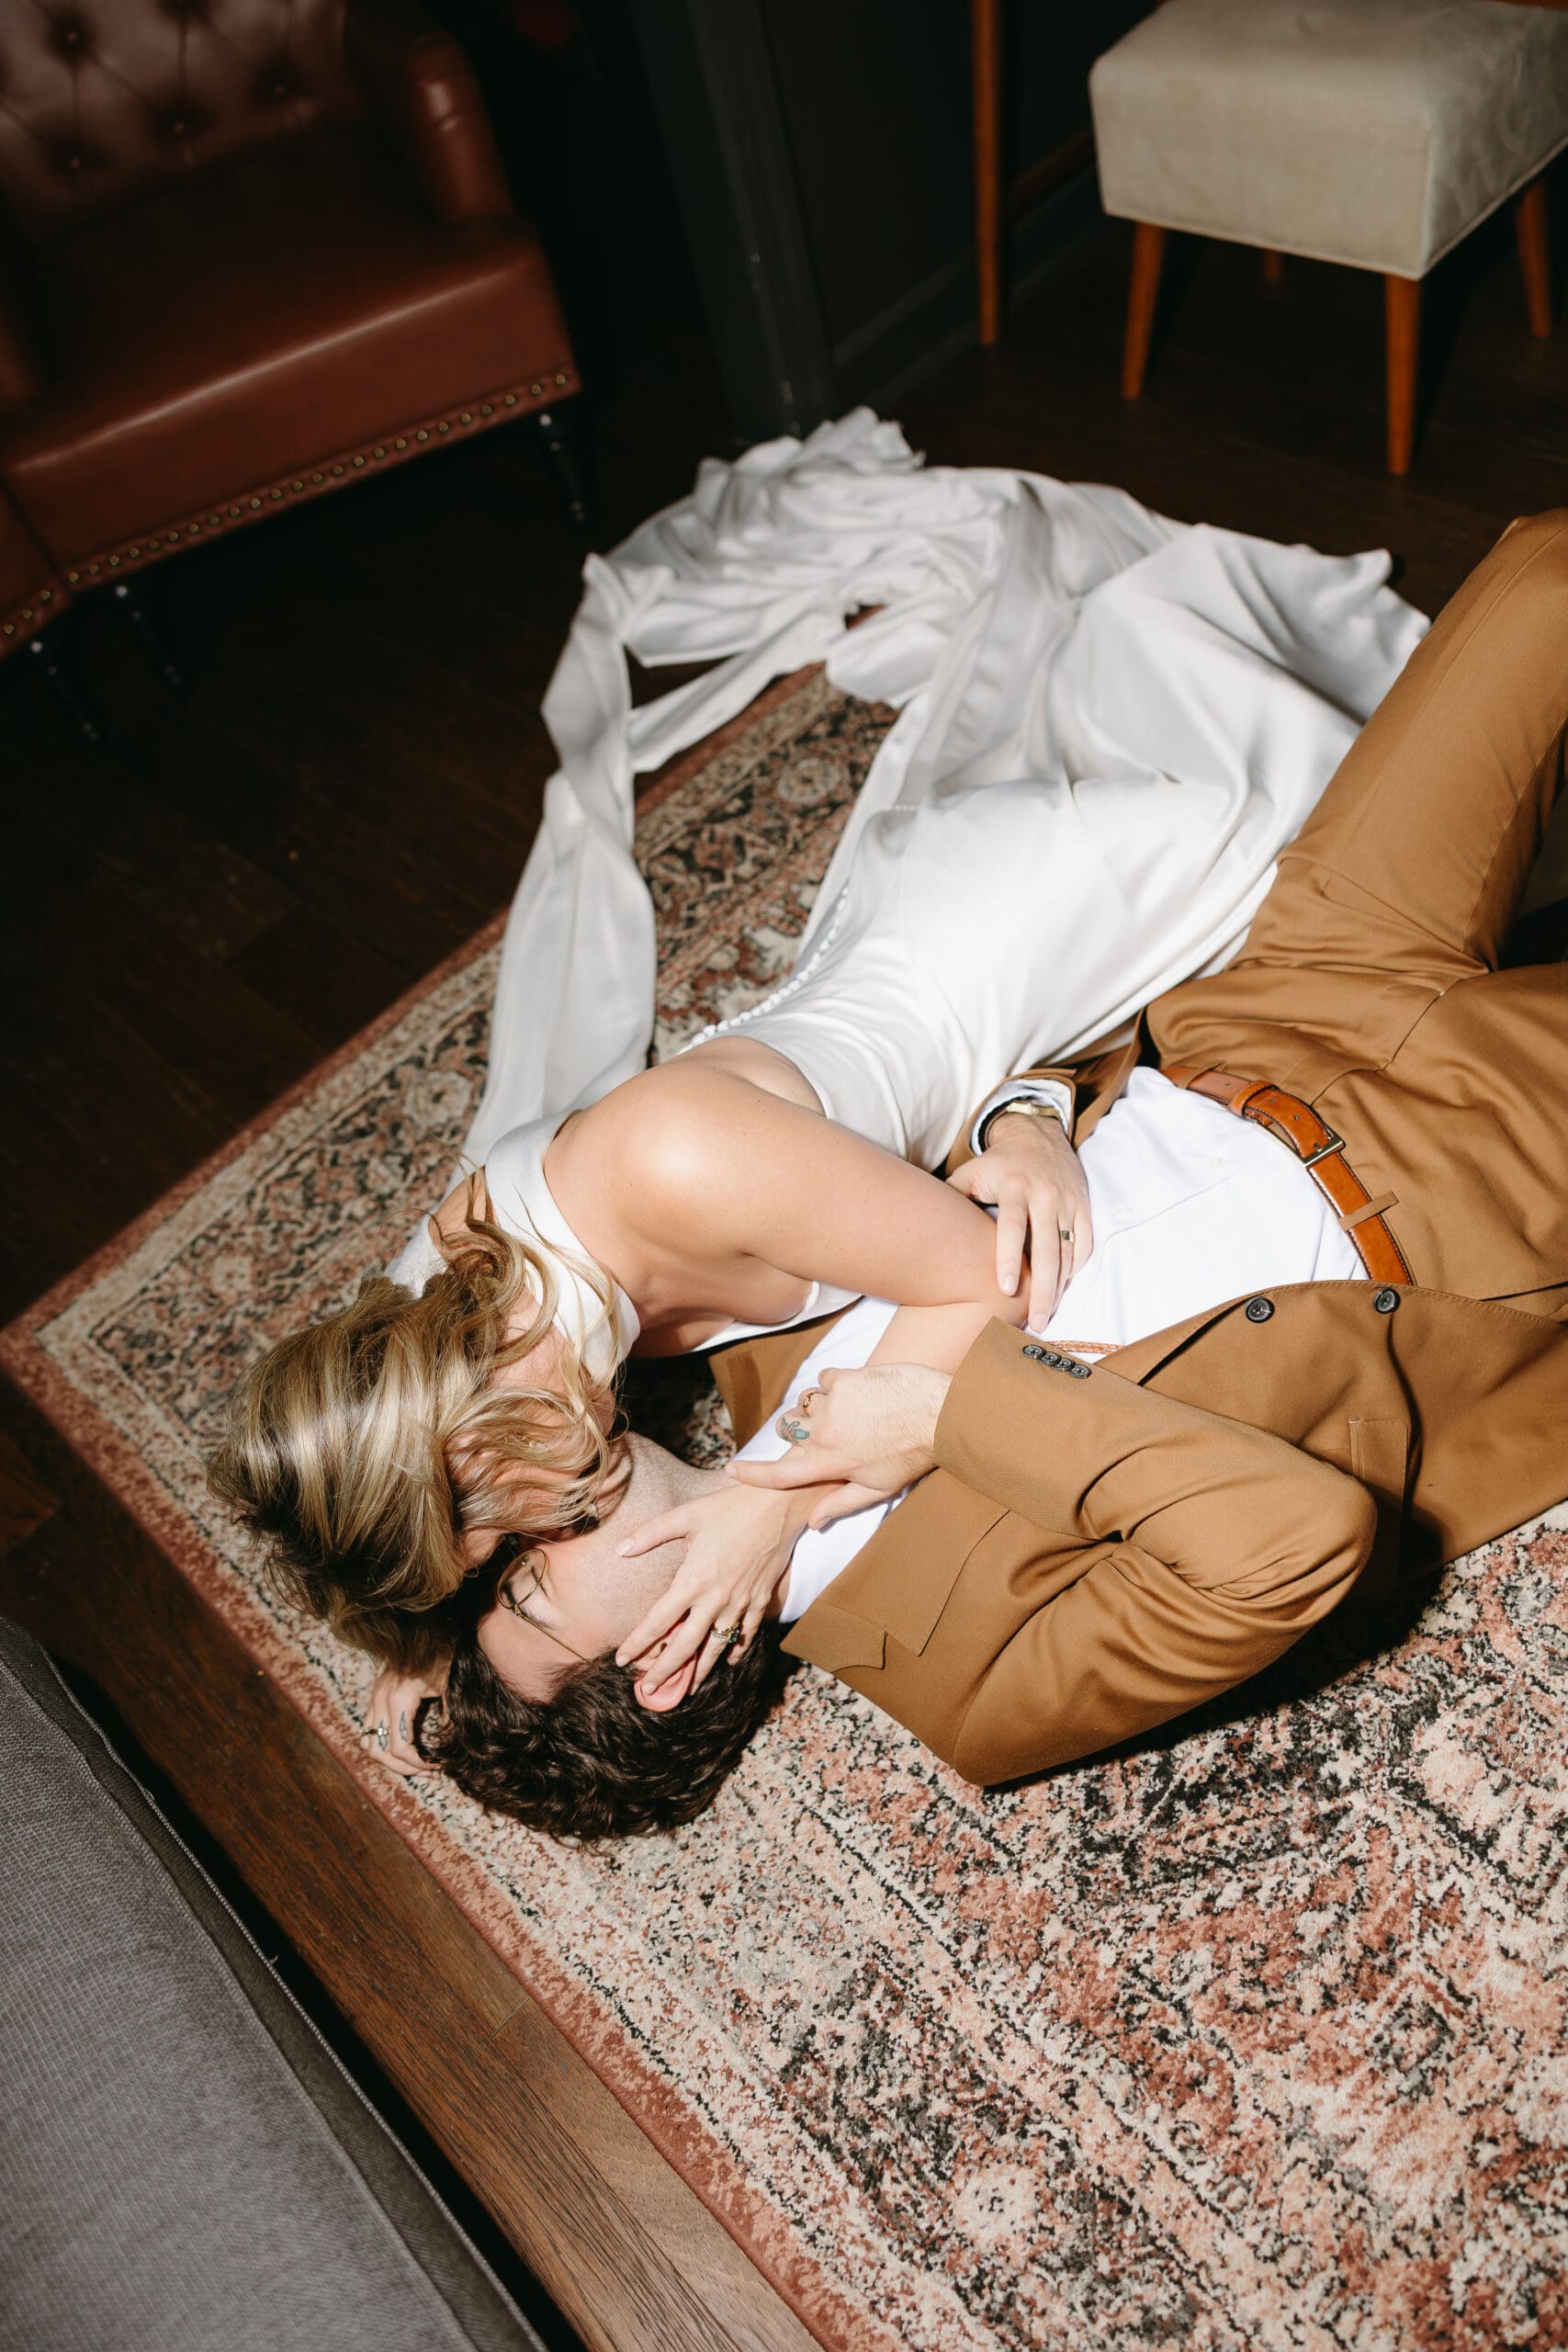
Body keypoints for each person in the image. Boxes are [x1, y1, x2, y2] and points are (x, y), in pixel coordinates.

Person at [369, 508, 1568, 1823]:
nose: (532, 1533)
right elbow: (1295, 1550)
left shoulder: (732, 1342)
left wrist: (1023, 1117)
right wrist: (942, 1419)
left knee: (1537, 576)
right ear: (661, 1665)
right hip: (1458, 1202)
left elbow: (975, 1075)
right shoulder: (970, 1685)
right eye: (534, 1588)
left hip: (1276, 1004)